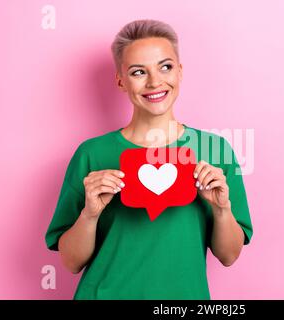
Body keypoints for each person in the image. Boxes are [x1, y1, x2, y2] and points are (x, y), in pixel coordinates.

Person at [45, 19, 253, 299]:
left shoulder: (214, 150)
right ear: (120, 80)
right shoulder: (91, 153)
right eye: (138, 72)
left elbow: (229, 256)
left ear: (179, 72)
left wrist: (221, 209)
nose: (155, 82)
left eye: (165, 67)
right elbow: (71, 262)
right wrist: (90, 214)